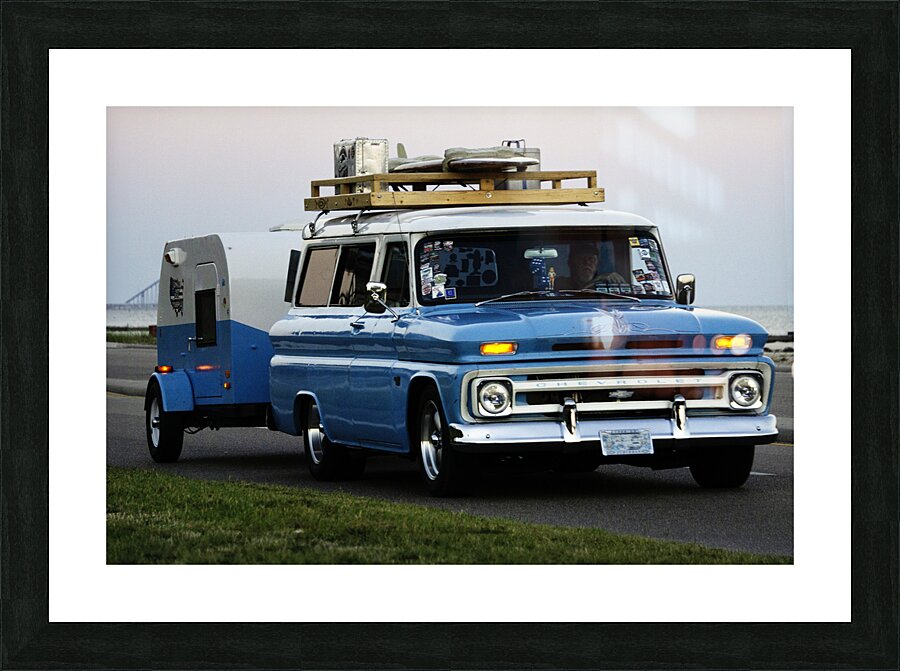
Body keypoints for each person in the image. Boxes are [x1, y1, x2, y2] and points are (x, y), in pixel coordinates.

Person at [558, 241, 627, 289]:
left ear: (597, 264)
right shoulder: (562, 282)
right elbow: (578, 292)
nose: (587, 263)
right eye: (581, 259)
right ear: (571, 263)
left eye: (591, 259)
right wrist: (599, 279)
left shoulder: (607, 282)